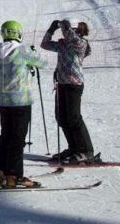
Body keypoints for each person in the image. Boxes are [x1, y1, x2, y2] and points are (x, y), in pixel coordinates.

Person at [0, 21, 47, 189]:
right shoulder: (23, 50)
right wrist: (34, 54)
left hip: (4, 101)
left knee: (5, 135)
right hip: (21, 101)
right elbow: (43, 63)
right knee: (17, 138)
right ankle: (14, 175)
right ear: (18, 33)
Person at [41, 19, 96, 164]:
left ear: (74, 30)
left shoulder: (81, 44)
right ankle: (74, 148)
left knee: (74, 117)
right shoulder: (62, 44)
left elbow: (75, 40)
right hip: (62, 84)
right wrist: (51, 30)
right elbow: (44, 44)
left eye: (67, 30)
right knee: (62, 117)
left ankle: (86, 150)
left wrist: (66, 27)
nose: (64, 33)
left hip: (74, 84)